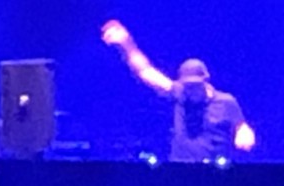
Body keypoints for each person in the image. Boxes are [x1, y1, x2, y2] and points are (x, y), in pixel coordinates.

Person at [101, 19, 255, 163]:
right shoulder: (178, 93)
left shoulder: (226, 101)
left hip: (214, 170)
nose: (191, 89)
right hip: (180, 169)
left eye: (195, 85)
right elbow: (145, 71)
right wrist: (126, 44)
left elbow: (241, 125)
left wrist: (244, 133)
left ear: (205, 81)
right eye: (187, 85)